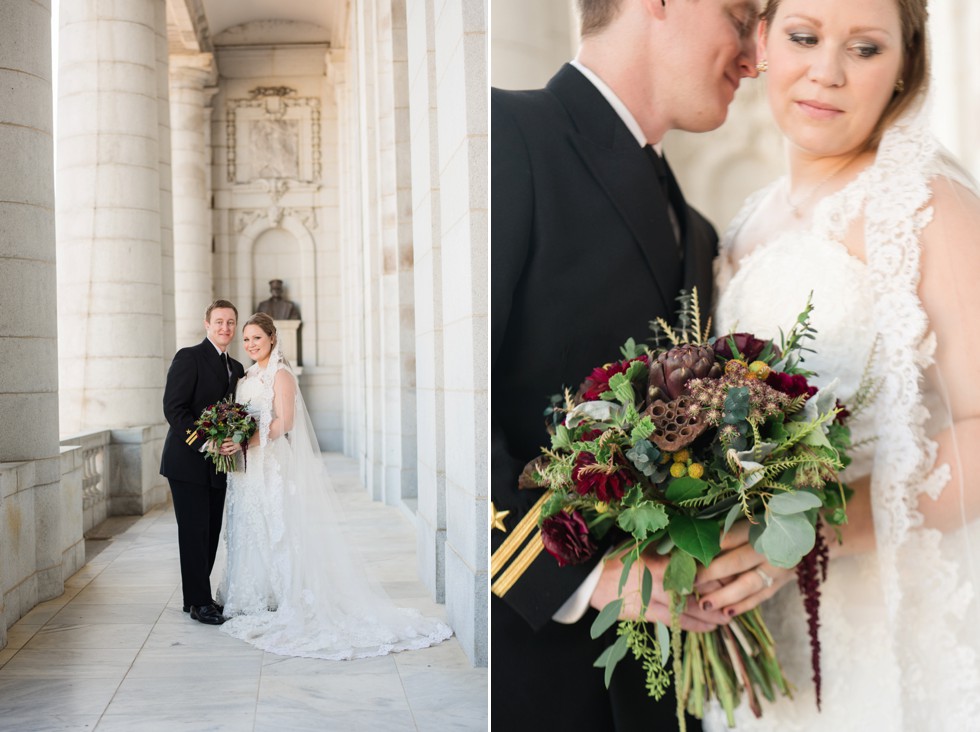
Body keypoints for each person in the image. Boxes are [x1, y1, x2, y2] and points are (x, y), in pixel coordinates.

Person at [696, 0, 980, 728]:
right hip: (772, 635)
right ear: (762, 42)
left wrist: (810, 538)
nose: (827, 72)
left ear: (903, 68)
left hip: (890, 627)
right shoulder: (744, 224)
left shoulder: (930, 205)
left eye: (864, 48)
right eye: (804, 37)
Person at [491, 0, 763, 728]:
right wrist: (586, 578)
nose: (753, 58)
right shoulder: (505, 135)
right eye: (740, 16)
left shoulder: (699, 232)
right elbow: (447, 404)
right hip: (529, 671)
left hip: (670, 683)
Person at [215, 313, 453, 658]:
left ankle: (285, 594)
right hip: (245, 469)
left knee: (276, 524)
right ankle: (253, 594)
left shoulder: (280, 375)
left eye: (257, 338)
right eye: (247, 339)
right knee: (250, 525)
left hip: (269, 461)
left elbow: (286, 421)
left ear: (272, 338)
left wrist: (246, 441)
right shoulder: (246, 375)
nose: (251, 345)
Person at [161, 299, 246, 625]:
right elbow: (174, 409)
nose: (225, 327)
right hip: (187, 461)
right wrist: (205, 442)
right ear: (207, 324)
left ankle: (195, 598)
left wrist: (234, 439)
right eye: (219, 321)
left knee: (210, 532)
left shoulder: (236, 368)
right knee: (194, 532)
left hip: (219, 464)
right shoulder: (189, 357)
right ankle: (199, 603)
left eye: (231, 322)